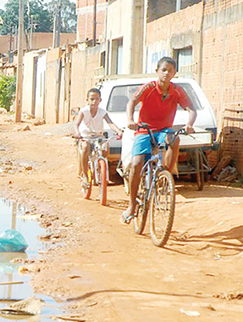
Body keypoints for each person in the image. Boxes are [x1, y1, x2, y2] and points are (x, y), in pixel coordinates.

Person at [121, 56, 197, 224]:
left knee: (174, 140)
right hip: (144, 129)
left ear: (174, 73)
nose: (166, 73)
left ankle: (165, 175)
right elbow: (132, 102)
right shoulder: (148, 88)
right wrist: (130, 120)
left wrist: (189, 124)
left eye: (170, 71)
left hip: (164, 130)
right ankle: (132, 205)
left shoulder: (177, 91)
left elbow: (191, 109)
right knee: (136, 163)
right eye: (163, 70)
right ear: (157, 71)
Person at [72, 88, 122, 188]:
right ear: (87, 100)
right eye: (92, 99)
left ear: (100, 100)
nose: (94, 101)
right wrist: (77, 133)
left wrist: (118, 131)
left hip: (98, 135)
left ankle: (101, 170)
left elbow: (110, 123)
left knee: (104, 147)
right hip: (86, 136)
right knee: (86, 147)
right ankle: (85, 176)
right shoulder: (83, 111)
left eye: (97, 99)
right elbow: (76, 124)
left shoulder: (102, 112)